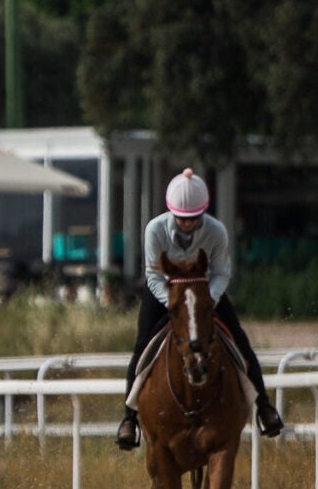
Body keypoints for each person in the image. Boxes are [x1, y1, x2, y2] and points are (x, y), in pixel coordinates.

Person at [114, 169, 284, 452]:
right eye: (183, 219)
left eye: (194, 219)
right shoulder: (154, 230)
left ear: (203, 213)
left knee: (240, 341)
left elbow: (221, 273)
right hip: (165, 293)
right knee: (143, 345)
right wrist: (174, 304)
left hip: (206, 293)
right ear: (172, 213)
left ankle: (264, 406)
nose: (188, 224)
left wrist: (206, 302)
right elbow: (154, 276)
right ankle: (129, 418)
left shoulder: (216, 231)